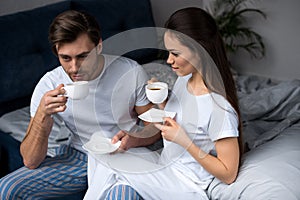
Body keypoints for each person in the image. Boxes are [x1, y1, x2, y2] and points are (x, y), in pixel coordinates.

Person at [83, 7, 243, 200]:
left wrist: (184, 140)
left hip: (186, 185)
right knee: (100, 152)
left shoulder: (219, 108)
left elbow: (228, 174)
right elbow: (182, 120)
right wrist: (161, 102)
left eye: (175, 53)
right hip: (164, 166)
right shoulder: (184, 81)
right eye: (168, 52)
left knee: (114, 168)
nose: (169, 60)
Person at [0, 10, 161, 199]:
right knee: (7, 188)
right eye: (66, 58)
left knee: (121, 196)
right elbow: (31, 161)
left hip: (125, 154)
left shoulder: (130, 71)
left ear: (99, 46)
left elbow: (154, 128)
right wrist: (43, 114)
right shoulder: (49, 84)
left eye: (83, 56)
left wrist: (135, 139)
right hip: (78, 156)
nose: (75, 68)